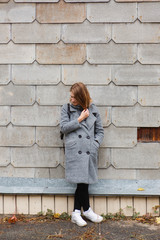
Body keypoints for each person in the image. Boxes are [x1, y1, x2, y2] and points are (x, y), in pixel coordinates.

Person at [60, 82, 104, 227]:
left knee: (83, 182)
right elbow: (63, 128)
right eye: (70, 96)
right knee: (82, 181)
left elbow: (100, 132)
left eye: (74, 97)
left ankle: (77, 212)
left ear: (81, 97)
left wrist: (95, 144)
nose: (71, 99)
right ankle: (86, 211)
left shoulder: (94, 110)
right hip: (75, 151)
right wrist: (80, 119)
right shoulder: (66, 108)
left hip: (89, 151)